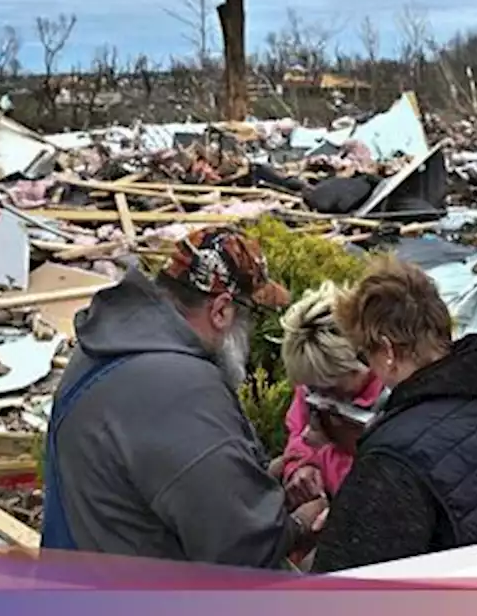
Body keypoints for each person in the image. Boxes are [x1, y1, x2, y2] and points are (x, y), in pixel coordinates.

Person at [41, 226, 328, 566]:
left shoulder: (107, 347)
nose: (249, 333)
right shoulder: (183, 389)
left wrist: (265, 475)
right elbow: (241, 547)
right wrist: (299, 524)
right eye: (250, 316)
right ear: (221, 310)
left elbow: (173, 480)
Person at [310, 255, 477, 572]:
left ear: (388, 351)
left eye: (366, 353)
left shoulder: (395, 456)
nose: (369, 367)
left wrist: (354, 519)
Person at [276, 281, 386, 507]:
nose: (323, 399)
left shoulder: (394, 397)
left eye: (334, 389)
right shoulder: (316, 379)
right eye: (314, 390)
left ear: (360, 360)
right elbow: (298, 434)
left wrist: (324, 458)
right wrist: (300, 467)